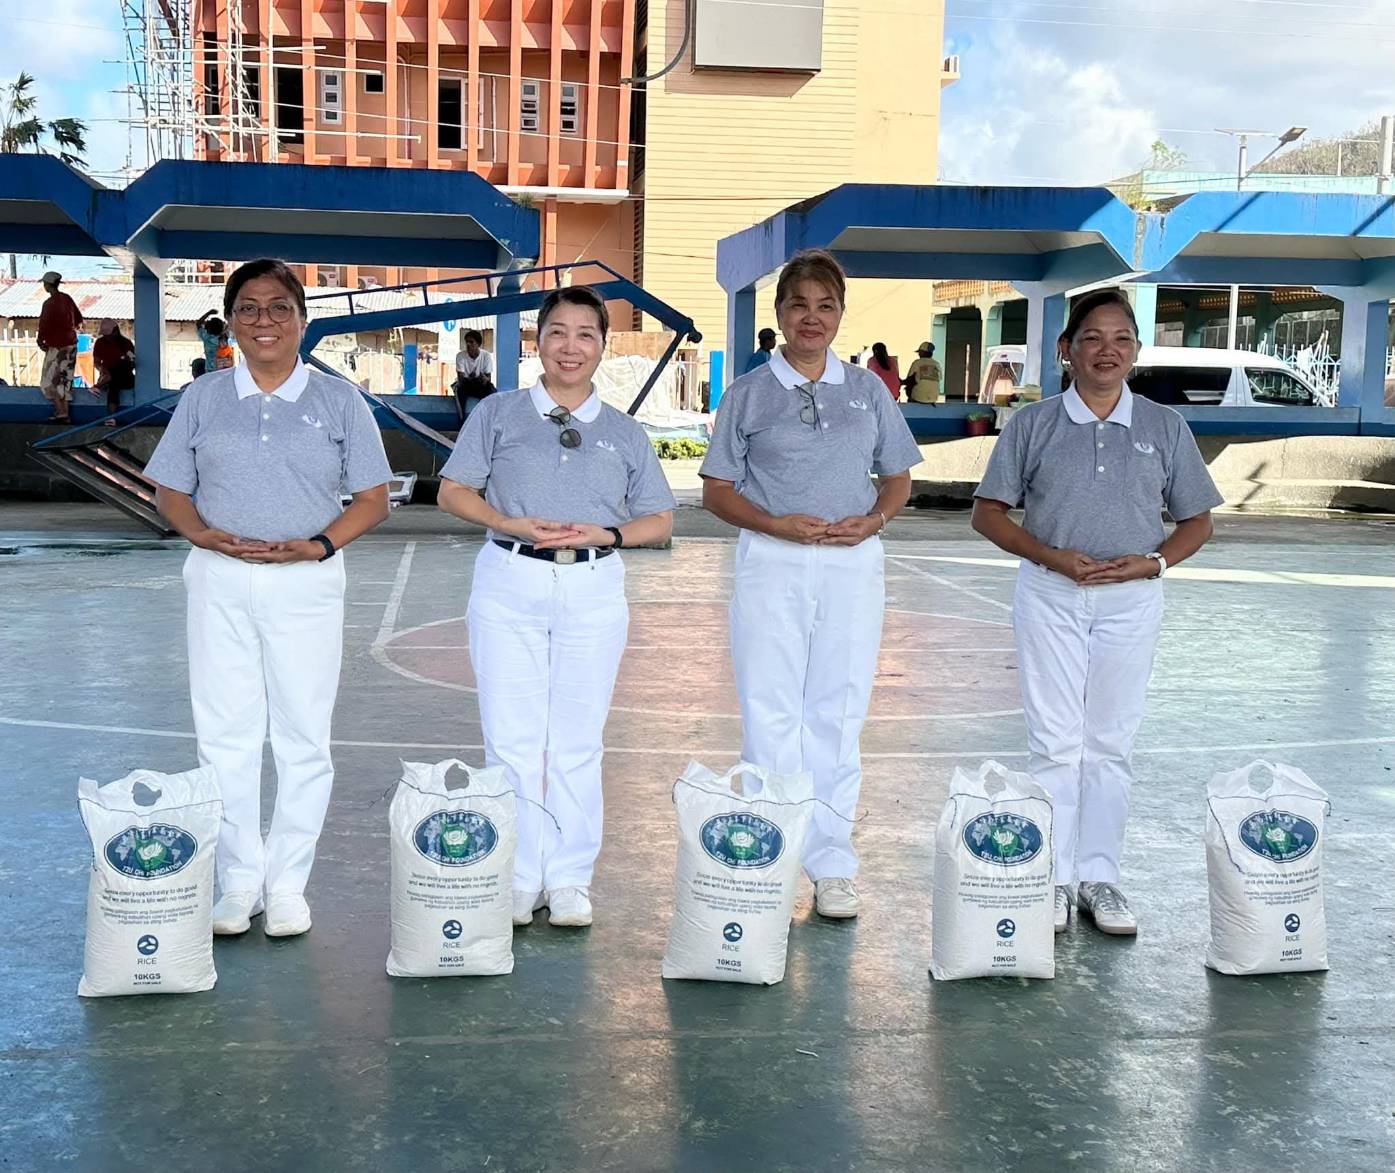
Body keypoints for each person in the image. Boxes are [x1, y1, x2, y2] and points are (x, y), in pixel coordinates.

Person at [145, 258, 392, 940]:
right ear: (230, 323)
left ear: (302, 321)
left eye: (279, 307)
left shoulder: (339, 400)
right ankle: (238, 882)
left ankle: (286, 886)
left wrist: (317, 545)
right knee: (224, 733)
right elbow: (170, 485)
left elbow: (372, 501)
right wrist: (201, 534)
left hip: (306, 581)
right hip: (219, 577)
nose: (264, 321)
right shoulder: (203, 397)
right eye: (248, 308)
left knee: (302, 737)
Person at [971, 288, 1223, 939]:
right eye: (1091, 338)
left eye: (1120, 339)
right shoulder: (1033, 424)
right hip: (1050, 596)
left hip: (1131, 601)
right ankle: (1052, 878)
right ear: (1066, 350)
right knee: (1055, 741)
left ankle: (1098, 876)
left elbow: (1196, 522)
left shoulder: (1163, 427)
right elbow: (988, 512)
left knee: (1109, 743)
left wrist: (1155, 562)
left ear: (1134, 352)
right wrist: (1050, 556)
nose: (1106, 350)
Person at [437, 286, 676, 929]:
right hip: (508, 581)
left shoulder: (624, 432)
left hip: (594, 588)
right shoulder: (497, 413)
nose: (571, 347)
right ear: (536, 341)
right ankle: (516, 876)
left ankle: (569, 878)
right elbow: (453, 491)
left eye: (586, 335)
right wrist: (504, 521)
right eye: (558, 333)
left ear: (603, 344)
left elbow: (659, 517)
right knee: (511, 738)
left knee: (576, 740)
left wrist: (609, 535)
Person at [700, 249, 923, 919]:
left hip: (852, 562)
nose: (811, 317)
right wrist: (774, 522)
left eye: (825, 306)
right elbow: (715, 491)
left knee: (838, 709)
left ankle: (831, 864)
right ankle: (767, 855)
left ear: (840, 314)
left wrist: (874, 519)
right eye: (798, 304)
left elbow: (899, 477)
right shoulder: (747, 392)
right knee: (770, 710)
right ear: (778, 314)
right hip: (774, 558)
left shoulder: (867, 391)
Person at [36, 271, 83, 423]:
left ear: (48, 285)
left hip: (57, 346)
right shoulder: (67, 299)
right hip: (71, 344)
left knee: (49, 380)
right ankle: (65, 413)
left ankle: (60, 411)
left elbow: (44, 326)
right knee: (66, 378)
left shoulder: (49, 304)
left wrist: (41, 341)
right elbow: (78, 319)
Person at [91, 319, 136, 425]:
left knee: (118, 370)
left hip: (125, 377)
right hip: (108, 376)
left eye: (109, 335)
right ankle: (112, 417)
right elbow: (96, 362)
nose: (107, 337)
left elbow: (132, 364)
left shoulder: (126, 343)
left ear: (115, 332)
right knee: (113, 384)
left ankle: (98, 386)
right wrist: (103, 370)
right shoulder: (100, 343)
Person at [453, 328, 496, 419]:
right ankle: (462, 420)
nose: (468, 345)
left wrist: (484, 378)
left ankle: (488, 418)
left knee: (492, 390)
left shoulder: (486, 356)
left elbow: (488, 378)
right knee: (459, 390)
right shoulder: (460, 356)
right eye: (467, 342)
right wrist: (472, 379)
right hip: (466, 385)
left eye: (471, 342)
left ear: (478, 344)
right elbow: (461, 379)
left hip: (479, 385)